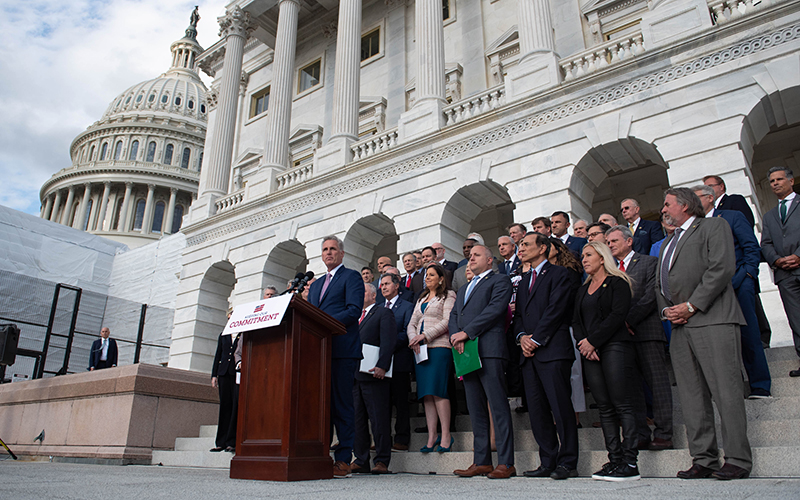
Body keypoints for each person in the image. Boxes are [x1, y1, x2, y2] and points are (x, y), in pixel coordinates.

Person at [657, 188, 751, 480]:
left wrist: (692, 305)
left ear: (684, 206)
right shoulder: (667, 243)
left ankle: (737, 458)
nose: (663, 209)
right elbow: (662, 282)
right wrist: (668, 311)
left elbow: (721, 268)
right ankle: (704, 458)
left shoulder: (712, 225)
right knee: (692, 397)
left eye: (667, 204)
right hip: (681, 327)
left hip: (713, 319)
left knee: (726, 391)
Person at [694, 185, 771, 397]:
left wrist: (748, 275)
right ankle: (733, 389)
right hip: (711, 291)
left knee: (749, 335)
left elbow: (750, 247)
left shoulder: (732, 216)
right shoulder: (695, 226)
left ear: (710, 198)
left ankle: (761, 385)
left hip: (739, 283)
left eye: (696, 197)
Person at [514, 233, 580, 480]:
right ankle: (548, 460)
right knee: (537, 410)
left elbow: (556, 310)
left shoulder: (559, 274)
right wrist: (521, 337)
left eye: (526, 244)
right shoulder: (522, 280)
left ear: (543, 248)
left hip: (551, 351)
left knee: (560, 407)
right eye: (520, 245)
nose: (521, 248)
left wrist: (535, 339)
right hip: (528, 354)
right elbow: (519, 315)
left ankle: (568, 462)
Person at [573, 241, 639, 481]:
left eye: (589, 255)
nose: (584, 259)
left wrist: (593, 341)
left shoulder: (617, 282)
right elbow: (576, 321)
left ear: (602, 258)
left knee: (622, 404)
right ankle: (615, 460)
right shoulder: (582, 289)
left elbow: (617, 316)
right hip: (590, 352)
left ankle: (631, 462)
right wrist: (584, 343)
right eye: (582, 256)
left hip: (614, 347)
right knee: (604, 407)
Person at [450, 245, 515, 479]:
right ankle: (482, 461)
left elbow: (495, 309)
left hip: (489, 349)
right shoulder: (465, 287)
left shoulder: (500, 281)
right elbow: (454, 315)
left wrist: (466, 332)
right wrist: (455, 335)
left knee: (497, 406)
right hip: (466, 352)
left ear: (490, 260)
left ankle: (506, 462)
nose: (471, 258)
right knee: (475, 408)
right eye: (469, 256)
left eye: (476, 255)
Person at [605, 226, 673, 451]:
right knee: (631, 388)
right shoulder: (609, 269)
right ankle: (640, 433)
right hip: (622, 338)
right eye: (608, 242)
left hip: (647, 331)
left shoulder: (648, 262)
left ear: (629, 241)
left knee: (658, 384)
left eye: (614, 241)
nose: (610, 245)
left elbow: (651, 295)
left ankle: (664, 433)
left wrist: (628, 320)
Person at [307, 236, 365, 477]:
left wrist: (324, 324)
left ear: (341, 254)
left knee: (342, 405)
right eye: (325, 250)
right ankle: (320, 455)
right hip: (318, 353)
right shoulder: (317, 284)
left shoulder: (351, 277)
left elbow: (353, 311)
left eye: (332, 249)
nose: (328, 253)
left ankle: (343, 459)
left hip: (342, 351)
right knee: (321, 406)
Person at [407, 263, 457, 454]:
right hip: (420, 350)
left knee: (439, 392)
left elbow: (447, 321)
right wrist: (413, 338)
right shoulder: (421, 298)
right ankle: (431, 436)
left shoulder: (449, 295)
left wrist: (425, 335)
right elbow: (412, 322)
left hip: (439, 347)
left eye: (431, 275)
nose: (426, 278)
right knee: (426, 394)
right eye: (426, 275)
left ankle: (445, 435)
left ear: (441, 278)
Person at [350, 284, 396, 475]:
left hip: (374, 374)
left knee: (379, 419)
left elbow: (388, 340)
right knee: (357, 420)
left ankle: (382, 460)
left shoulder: (383, 313)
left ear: (373, 295)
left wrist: (383, 365)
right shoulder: (354, 318)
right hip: (354, 376)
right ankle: (361, 460)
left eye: (363, 292)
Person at [761, 167, 800, 377]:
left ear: (791, 181)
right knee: (796, 319)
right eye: (772, 181)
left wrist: (798, 256)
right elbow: (765, 243)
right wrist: (776, 259)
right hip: (785, 275)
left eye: (779, 179)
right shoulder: (769, 216)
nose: (775, 183)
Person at [547, 238, 586, 421]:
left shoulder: (570, 270)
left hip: (568, 324)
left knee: (574, 373)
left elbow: (571, 297)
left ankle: (576, 416)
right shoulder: (542, 272)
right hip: (547, 330)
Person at [379, 272, 415, 452]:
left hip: (399, 360)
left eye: (386, 284)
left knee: (401, 403)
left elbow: (407, 331)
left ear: (396, 285)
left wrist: (387, 345)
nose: (383, 287)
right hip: (380, 363)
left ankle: (402, 439)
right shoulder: (378, 308)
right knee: (382, 404)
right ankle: (383, 440)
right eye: (382, 285)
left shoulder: (407, 306)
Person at [210, 310, 239, 453]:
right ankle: (220, 442)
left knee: (235, 406)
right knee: (225, 406)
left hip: (237, 373)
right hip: (224, 373)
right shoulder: (223, 335)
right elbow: (218, 355)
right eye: (228, 318)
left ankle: (231, 441)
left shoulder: (242, 334)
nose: (230, 320)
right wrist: (214, 374)